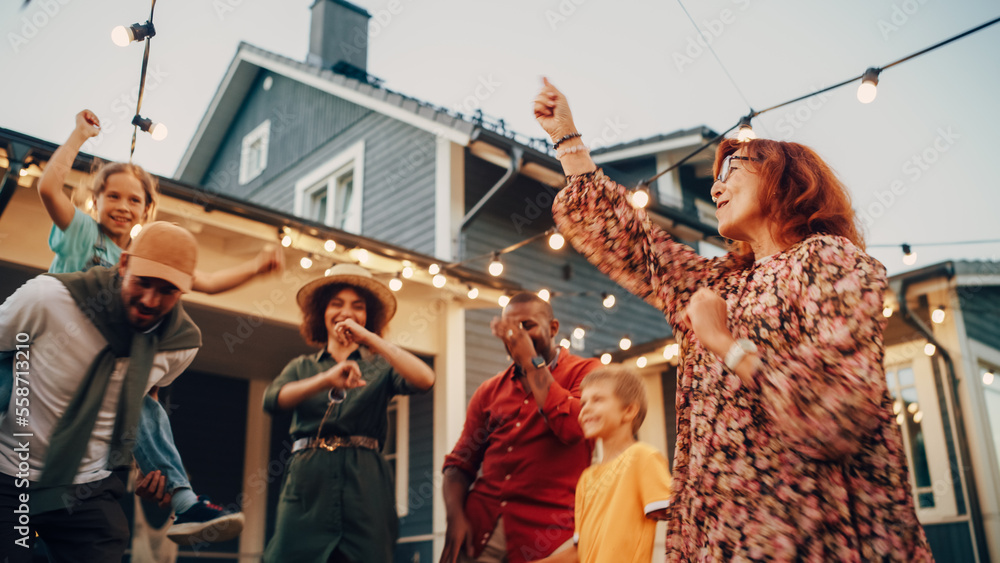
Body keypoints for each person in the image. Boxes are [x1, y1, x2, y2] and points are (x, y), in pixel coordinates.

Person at [534, 77, 934, 561]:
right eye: (715, 179)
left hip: (809, 532)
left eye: (733, 170)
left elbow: (839, 408)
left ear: (784, 179)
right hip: (721, 536)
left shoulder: (827, 260)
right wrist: (567, 140)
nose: (716, 187)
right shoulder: (716, 283)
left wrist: (728, 345)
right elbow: (629, 242)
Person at [25, 108, 281, 544]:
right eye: (113, 196)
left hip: (104, 369)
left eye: (134, 200)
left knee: (143, 400)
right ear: (95, 200)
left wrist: (257, 266)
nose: (123, 207)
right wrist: (78, 136)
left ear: (148, 209)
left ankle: (183, 501)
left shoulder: (154, 260)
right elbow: (49, 187)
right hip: (51, 351)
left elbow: (208, 283)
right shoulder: (82, 233)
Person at [0, 222, 202, 562]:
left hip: (87, 487)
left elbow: (142, 401)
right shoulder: (48, 298)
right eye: (142, 282)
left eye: (167, 290)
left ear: (185, 290)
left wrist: (146, 465)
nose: (150, 300)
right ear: (123, 264)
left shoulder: (180, 344)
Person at [262, 263, 435, 562]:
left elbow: (425, 379)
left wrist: (370, 340)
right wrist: (326, 380)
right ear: (321, 312)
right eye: (336, 304)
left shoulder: (380, 366)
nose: (346, 312)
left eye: (358, 306)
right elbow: (273, 400)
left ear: (369, 316)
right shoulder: (303, 366)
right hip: (307, 484)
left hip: (365, 484)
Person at [441, 292, 602, 563]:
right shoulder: (489, 391)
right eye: (510, 328)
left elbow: (572, 428)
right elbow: (460, 463)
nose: (517, 336)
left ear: (553, 328)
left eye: (527, 326)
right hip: (479, 530)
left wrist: (531, 363)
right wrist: (454, 518)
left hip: (549, 537)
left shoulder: (587, 372)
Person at [537, 365, 671, 563]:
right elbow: (579, 552)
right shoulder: (586, 478)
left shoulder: (642, 457)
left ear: (629, 410)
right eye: (583, 403)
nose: (586, 408)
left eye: (597, 400)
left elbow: (681, 517)